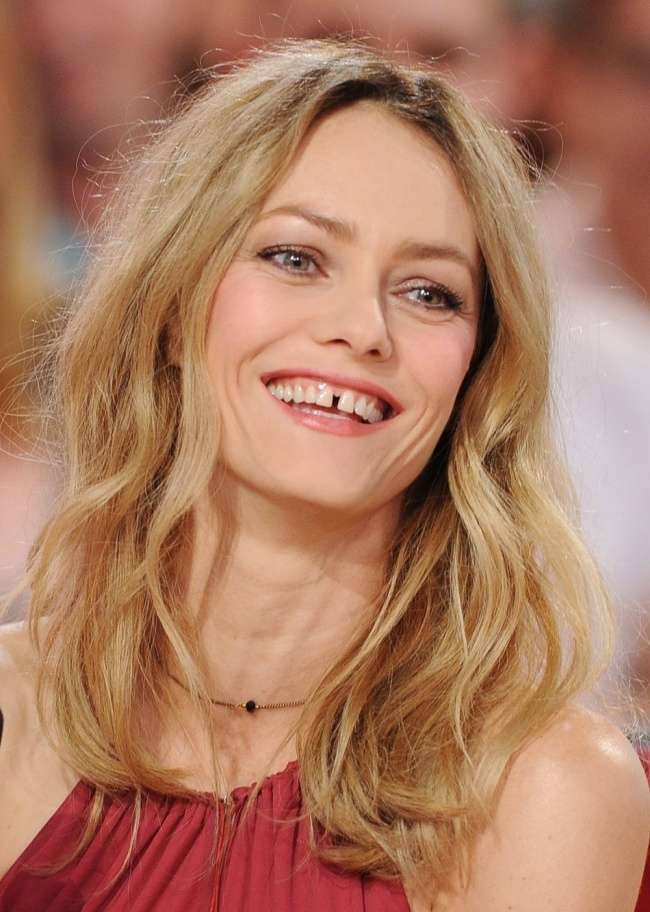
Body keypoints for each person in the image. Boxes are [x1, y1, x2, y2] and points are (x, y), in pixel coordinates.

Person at [0, 38, 647, 911]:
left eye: (429, 293)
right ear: (173, 302)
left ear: (476, 374)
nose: (363, 329)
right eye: (296, 258)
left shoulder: (544, 786)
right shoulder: (15, 710)